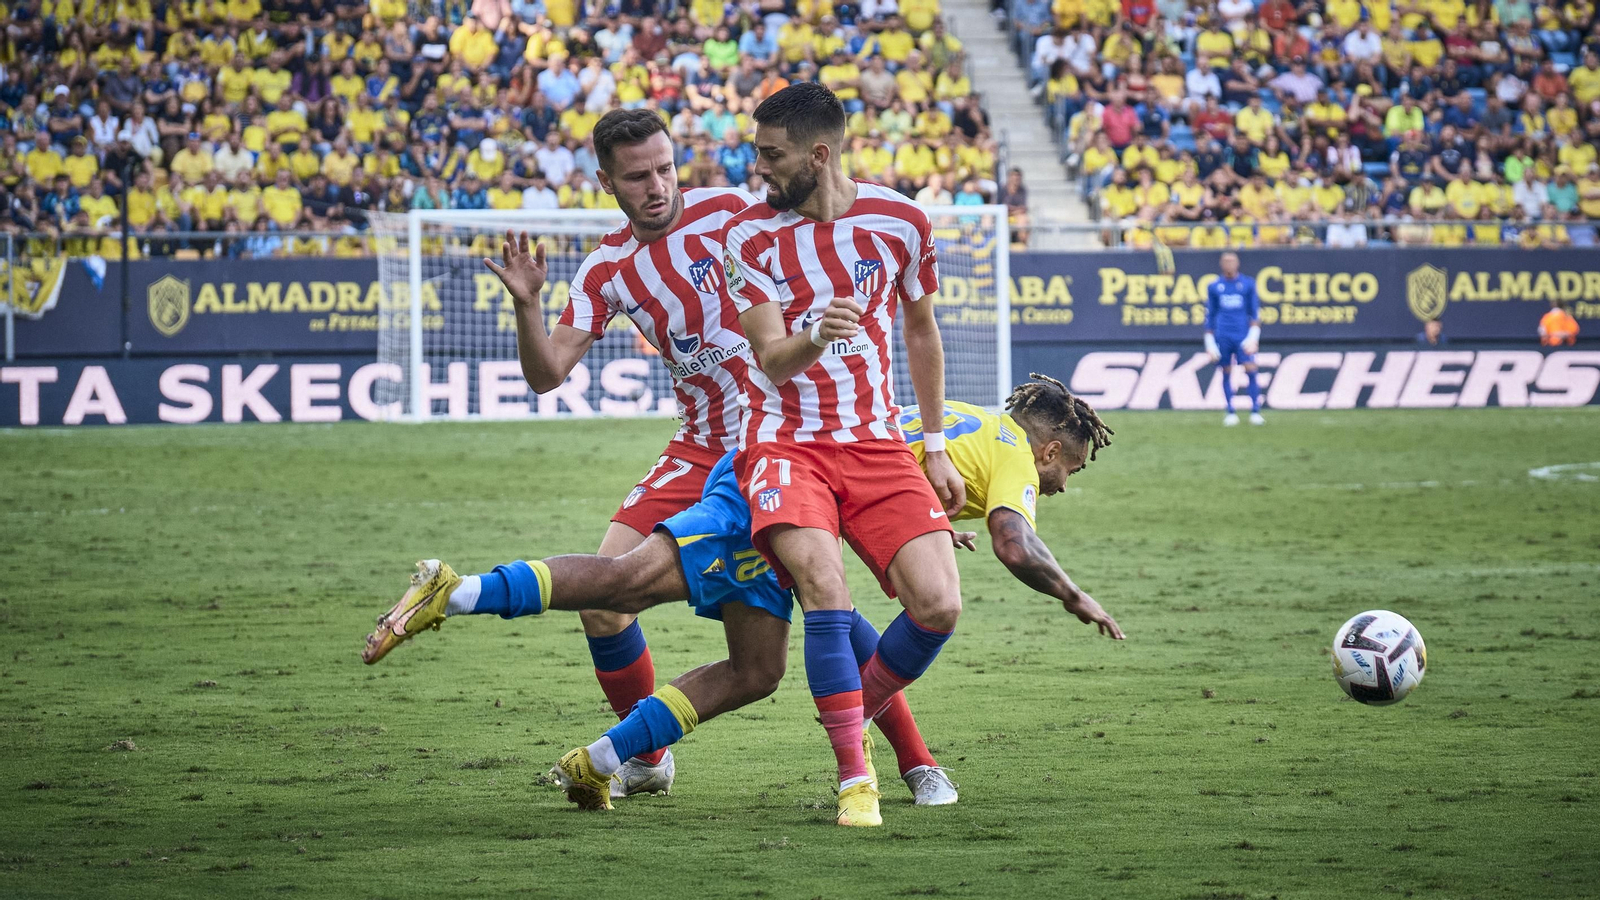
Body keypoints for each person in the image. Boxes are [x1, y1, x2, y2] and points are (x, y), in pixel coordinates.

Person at [361, 379, 1125, 812]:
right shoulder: (1014, 452)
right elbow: (1015, 543)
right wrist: (1075, 594)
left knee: (758, 669)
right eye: (1071, 471)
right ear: (1052, 447)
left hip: (798, 475)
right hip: (778, 477)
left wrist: (921, 522)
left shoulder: (963, 424)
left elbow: (887, 457)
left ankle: (599, 759)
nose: (1060, 484)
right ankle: (896, 774)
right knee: (647, 587)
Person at [379, 109, 757, 799]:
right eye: (638, 176)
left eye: (666, 169)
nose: (658, 186)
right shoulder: (607, 268)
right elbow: (548, 372)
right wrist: (528, 306)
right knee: (605, 604)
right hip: (700, 446)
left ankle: (906, 763)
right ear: (605, 180)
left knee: (824, 609)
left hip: (776, 438)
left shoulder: (733, 212)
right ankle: (647, 757)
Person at [721, 83, 964, 828]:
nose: (757, 168)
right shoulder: (749, 239)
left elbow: (921, 330)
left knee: (940, 605)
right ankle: (856, 781)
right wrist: (817, 336)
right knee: (825, 588)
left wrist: (935, 445)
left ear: (819, 154)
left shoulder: (900, 221)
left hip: (877, 440)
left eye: (771, 155)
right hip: (783, 441)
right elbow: (769, 359)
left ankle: (857, 713)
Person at [1205, 251, 1264, 426]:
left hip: (1242, 334)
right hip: (1223, 335)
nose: (1229, 264)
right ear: (1221, 265)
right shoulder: (1215, 286)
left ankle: (1255, 410)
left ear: (1237, 264)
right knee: (1226, 370)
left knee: (1251, 368)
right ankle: (1230, 410)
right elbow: (1211, 314)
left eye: (1232, 261)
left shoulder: (1247, 284)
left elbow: (1254, 312)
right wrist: (1209, 342)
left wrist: (1253, 337)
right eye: (1225, 261)